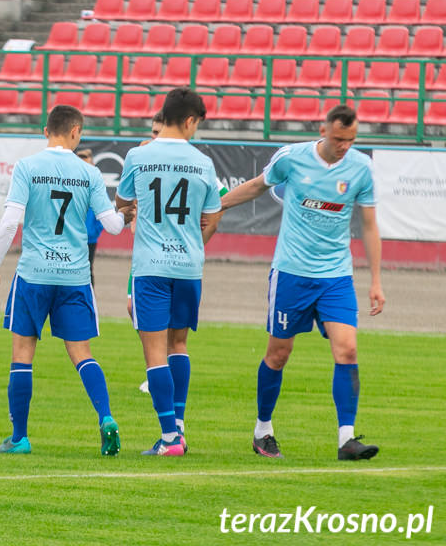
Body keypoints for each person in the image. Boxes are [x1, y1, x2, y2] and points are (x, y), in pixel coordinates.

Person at [220, 105, 385, 461]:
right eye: (339, 139)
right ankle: (263, 430)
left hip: (335, 275)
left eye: (351, 140)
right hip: (291, 273)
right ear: (323, 129)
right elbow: (256, 187)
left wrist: (376, 280)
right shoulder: (292, 158)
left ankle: (347, 439)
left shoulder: (361, 168)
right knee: (278, 354)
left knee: (348, 349)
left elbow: (369, 225)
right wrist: (218, 206)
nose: (344, 146)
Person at [0, 105, 135, 455]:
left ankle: (19, 438)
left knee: (22, 354)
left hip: (35, 273)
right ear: (76, 131)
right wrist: (125, 212)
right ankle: (106, 417)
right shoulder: (89, 173)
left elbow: (10, 221)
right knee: (82, 354)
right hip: (75, 276)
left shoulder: (27, 166)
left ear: (45, 130)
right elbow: (112, 226)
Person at [116, 88, 223, 457]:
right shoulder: (203, 163)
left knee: (154, 352)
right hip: (189, 265)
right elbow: (212, 215)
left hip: (151, 266)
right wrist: (195, 237)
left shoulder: (138, 155)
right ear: (191, 120)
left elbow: (123, 202)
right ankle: (178, 426)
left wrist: (136, 215)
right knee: (179, 345)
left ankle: (168, 438)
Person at [76, 148, 104, 285]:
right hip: (73, 236)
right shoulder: (71, 185)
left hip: (90, 238)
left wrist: (94, 231)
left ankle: (90, 300)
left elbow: (102, 212)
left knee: (88, 270)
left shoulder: (96, 185)